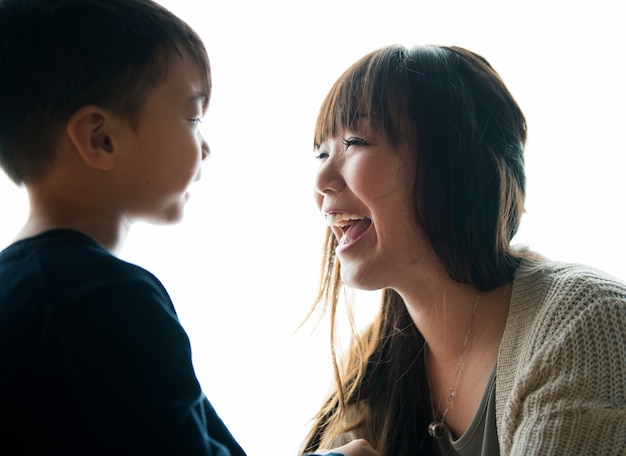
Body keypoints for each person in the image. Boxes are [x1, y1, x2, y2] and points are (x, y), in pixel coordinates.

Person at [300, 44, 626, 456]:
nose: (323, 180)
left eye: (356, 141)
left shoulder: (585, 323)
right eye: (321, 153)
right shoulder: (372, 369)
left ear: (454, 167)